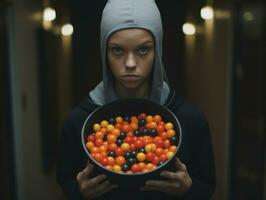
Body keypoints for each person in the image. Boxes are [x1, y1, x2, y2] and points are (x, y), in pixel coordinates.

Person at [56, 0, 216, 199]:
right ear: (104, 52)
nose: (130, 64)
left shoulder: (191, 120)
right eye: (117, 50)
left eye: (142, 50)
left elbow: (207, 185)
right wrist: (79, 192)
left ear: (157, 51)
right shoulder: (78, 123)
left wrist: (189, 190)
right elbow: (65, 183)